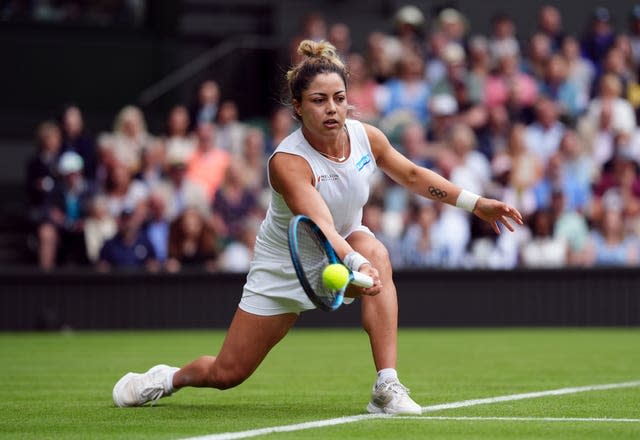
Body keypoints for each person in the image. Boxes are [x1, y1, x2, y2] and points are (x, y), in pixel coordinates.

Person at [112, 40, 522, 414]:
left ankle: (387, 387)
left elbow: (413, 175)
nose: (332, 109)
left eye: (340, 99)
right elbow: (319, 223)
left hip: (347, 241)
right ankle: (168, 378)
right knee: (227, 373)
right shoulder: (287, 162)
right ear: (297, 106)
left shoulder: (367, 138)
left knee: (378, 252)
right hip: (285, 265)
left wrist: (476, 202)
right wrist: (354, 262)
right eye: (319, 100)